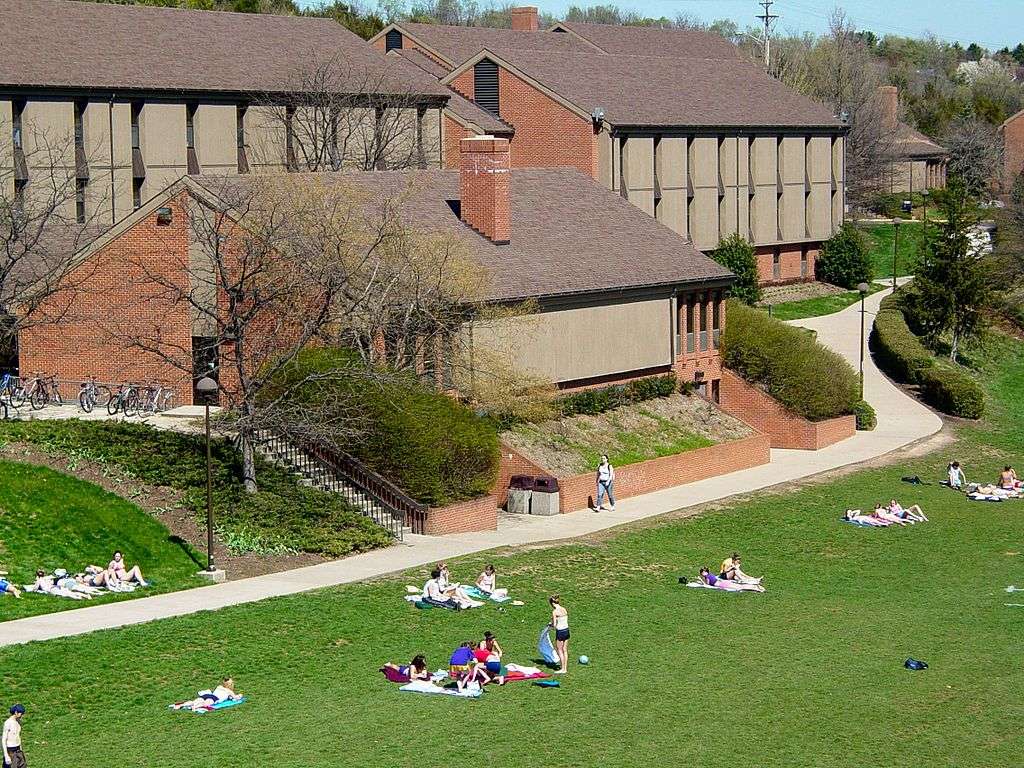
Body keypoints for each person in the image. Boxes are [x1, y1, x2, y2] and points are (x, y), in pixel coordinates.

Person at [177, 677, 242, 711]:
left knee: (194, 701)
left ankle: (181, 705)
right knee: (204, 704)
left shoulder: (219, 686)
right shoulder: (229, 691)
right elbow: (236, 698)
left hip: (207, 695)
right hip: (214, 698)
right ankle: (194, 707)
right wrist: (240, 695)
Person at [698, 567, 766, 592]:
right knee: (740, 586)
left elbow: (707, 585)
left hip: (721, 584)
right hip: (723, 582)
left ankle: (756, 588)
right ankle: (756, 587)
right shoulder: (710, 574)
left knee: (740, 587)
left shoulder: (706, 577)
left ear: (702, 573)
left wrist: (700, 581)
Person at [550, 595, 570, 674]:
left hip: (560, 632)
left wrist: (550, 625)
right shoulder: (564, 609)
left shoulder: (555, 612)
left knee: (560, 650)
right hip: (567, 630)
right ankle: (565, 668)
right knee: (565, 650)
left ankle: (562, 669)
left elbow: (554, 625)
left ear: (552, 603)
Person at [2, 704, 25, 768]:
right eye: (21, 713)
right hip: (10, 751)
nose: (22, 715)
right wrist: (6, 755)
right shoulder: (8, 723)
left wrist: (21, 750)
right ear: (16, 712)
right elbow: (3, 739)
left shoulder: (18, 722)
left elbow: (18, 736)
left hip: (18, 750)